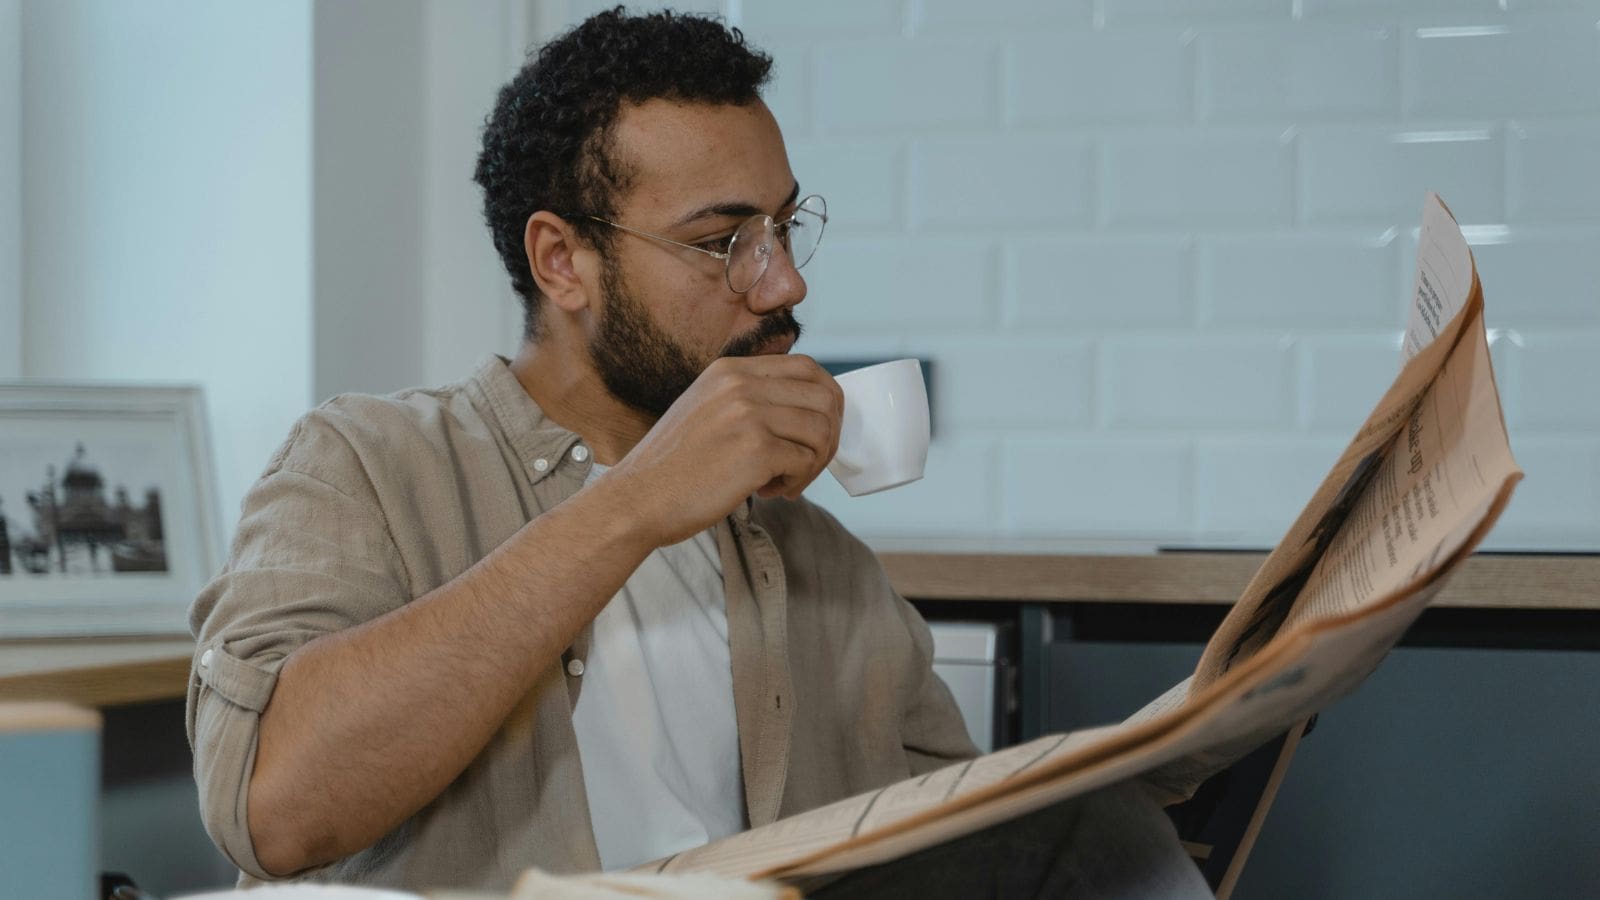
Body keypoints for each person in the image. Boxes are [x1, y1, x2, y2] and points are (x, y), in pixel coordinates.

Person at [186, 9, 1210, 897]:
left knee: (1101, 836)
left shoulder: (824, 568)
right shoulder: (367, 463)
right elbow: (273, 815)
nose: (782, 285)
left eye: (783, 226)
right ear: (562, 260)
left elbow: (964, 846)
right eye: (725, 241)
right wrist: (634, 504)